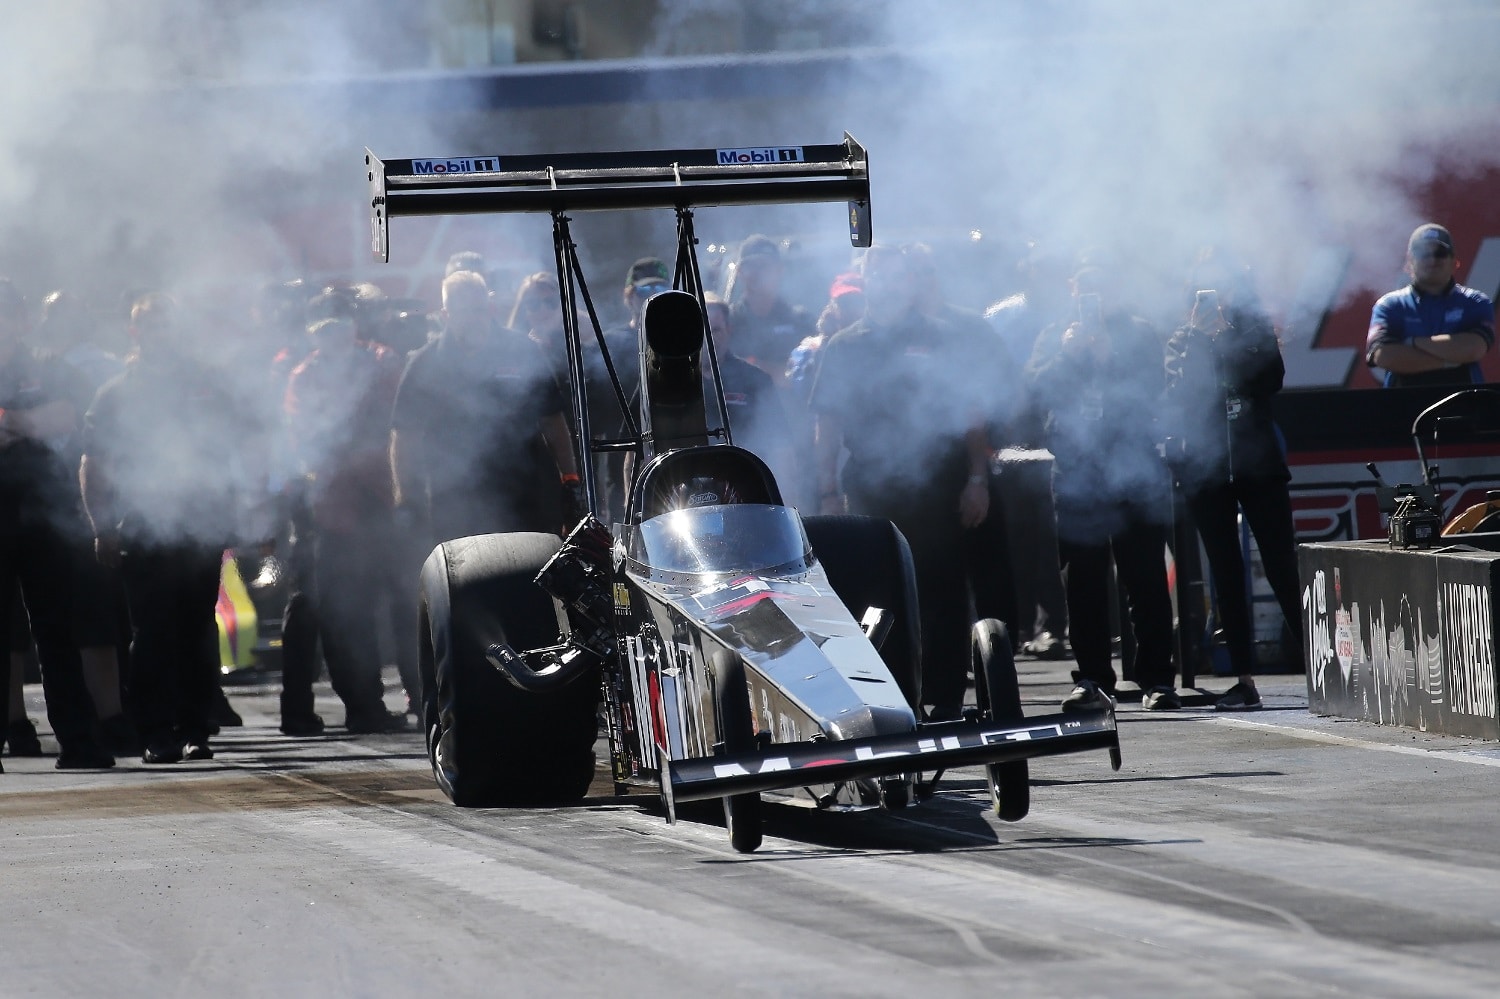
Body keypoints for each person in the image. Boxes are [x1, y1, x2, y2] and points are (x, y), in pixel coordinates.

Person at [810, 244, 995, 721]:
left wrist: (978, 478)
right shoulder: (845, 344)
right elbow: (827, 424)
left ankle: (948, 700)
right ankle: (887, 704)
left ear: (914, 283)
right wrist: (829, 491)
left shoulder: (946, 338)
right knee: (875, 596)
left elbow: (973, 416)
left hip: (940, 485)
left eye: (901, 277)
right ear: (868, 282)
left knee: (944, 592)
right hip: (873, 487)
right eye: (882, 276)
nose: (892, 285)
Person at [82, 293, 265, 764]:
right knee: (153, 633)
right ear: (136, 333)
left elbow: (244, 447)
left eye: (170, 326)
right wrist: (102, 524)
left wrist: (250, 508)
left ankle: (194, 728)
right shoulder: (118, 392)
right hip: (143, 530)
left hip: (199, 526)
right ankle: (154, 732)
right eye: (153, 326)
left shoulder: (207, 385)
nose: (164, 335)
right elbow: (95, 462)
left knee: (196, 630)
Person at [1026, 267, 1179, 711]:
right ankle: (1092, 677)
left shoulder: (1140, 334)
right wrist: (1069, 355)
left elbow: (1157, 390)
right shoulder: (1055, 335)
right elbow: (1035, 392)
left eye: (1101, 282)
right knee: (1083, 582)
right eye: (1083, 283)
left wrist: (1112, 357)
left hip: (1134, 469)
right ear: (1071, 287)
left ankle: (1156, 679)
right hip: (1078, 474)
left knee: (1145, 578)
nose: (1092, 292)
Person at [1164, 253, 1303, 710]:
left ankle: (1323, 667)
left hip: (1257, 464)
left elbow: (1271, 378)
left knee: (1283, 563)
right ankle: (1244, 678)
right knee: (1225, 572)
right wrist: (1201, 342)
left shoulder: (1254, 330)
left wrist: (1225, 343)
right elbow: (1179, 395)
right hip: (1206, 470)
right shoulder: (1183, 338)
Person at [0, 278, 114, 770]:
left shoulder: (50, 367)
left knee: (56, 632)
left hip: (47, 514)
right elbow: (46, 419)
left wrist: (13, 422)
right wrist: (30, 420)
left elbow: (68, 416)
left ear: (23, 319)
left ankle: (78, 741)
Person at [391, 270, 580, 550]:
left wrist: (570, 481)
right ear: (446, 315)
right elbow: (404, 438)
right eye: (464, 311)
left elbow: (553, 422)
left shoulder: (522, 350)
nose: (474, 319)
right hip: (456, 503)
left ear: (490, 307)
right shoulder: (425, 365)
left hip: (527, 496)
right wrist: (406, 499)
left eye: (479, 309)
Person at [285, 315, 409, 734]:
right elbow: (304, 436)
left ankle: (386, 699)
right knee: (343, 612)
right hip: (335, 509)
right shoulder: (305, 375)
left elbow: (394, 417)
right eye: (324, 330)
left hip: (378, 498)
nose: (332, 337)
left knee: (394, 602)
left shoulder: (378, 362)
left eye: (339, 327)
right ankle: (362, 704)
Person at [985, 245, 1074, 658]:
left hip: (1061, 433)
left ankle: (1056, 625)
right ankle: (1021, 626)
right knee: (1019, 537)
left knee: (1057, 539)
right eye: (1040, 271)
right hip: (1015, 437)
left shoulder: (1073, 316)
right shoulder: (1003, 316)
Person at [1366, 223, 1494, 387]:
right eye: (1423, 253)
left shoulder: (1475, 302)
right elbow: (1385, 356)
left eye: (1440, 253)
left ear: (1454, 262)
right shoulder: (1389, 306)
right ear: (1409, 262)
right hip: (1401, 406)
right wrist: (1451, 360)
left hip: (1464, 404)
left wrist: (1412, 342)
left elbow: (1474, 349)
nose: (1433, 259)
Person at [726, 235, 812, 384]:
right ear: (739, 272)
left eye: (764, 265)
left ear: (779, 270)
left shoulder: (800, 319)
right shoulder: (727, 322)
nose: (757, 272)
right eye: (750, 266)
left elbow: (813, 368)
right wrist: (773, 370)